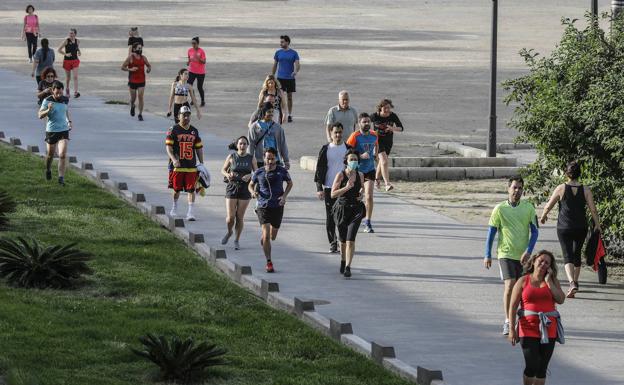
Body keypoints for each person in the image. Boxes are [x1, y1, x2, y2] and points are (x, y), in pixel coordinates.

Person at [485, 176, 539, 335]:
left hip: (523, 256)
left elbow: (535, 232)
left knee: (522, 288)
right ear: (508, 189)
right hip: (505, 253)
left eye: (520, 188)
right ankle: (508, 321)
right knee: (510, 285)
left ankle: (522, 319)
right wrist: (487, 254)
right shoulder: (500, 209)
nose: (517, 191)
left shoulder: (528, 208)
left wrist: (529, 251)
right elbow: (491, 233)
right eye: (514, 187)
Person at [539, 161, 601, 298]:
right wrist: (597, 225)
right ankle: (576, 283)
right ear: (579, 173)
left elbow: (549, 205)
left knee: (568, 255)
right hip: (581, 227)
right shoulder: (586, 189)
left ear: (567, 173)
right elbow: (593, 210)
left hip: (564, 227)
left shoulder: (561, 188)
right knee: (576, 253)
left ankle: (572, 282)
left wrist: (543, 216)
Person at [508, 250, 565, 385]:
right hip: (527, 327)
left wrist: (549, 282)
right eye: (541, 260)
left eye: (547, 262)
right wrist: (511, 328)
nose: (544, 264)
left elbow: (561, 299)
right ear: (534, 261)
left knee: (542, 368)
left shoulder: (552, 281)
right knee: (532, 364)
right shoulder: (523, 280)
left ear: (550, 267)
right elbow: (513, 305)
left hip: (549, 328)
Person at [248, 147, 293, 273]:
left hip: (277, 205)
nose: (270, 161)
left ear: (276, 158)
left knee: (272, 236)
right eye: (268, 158)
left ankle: (265, 238)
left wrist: (284, 196)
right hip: (263, 205)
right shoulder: (259, 172)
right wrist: (252, 192)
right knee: (267, 236)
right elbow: (250, 184)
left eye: (272, 158)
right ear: (264, 158)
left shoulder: (281, 171)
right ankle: (269, 262)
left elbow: (290, 183)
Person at [315, 123, 350, 253]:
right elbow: (319, 169)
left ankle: (343, 241)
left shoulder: (348, 148)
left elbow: (354, 168)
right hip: (329, 188)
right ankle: (333, 243)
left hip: (344, 189)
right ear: (330, 133)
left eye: (340, 132)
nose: (338, 135)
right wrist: (319, 187)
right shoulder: (326, 149)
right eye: (335, 132)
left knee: (343, 217)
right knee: (330, 218)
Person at [165, 106, 205, 221]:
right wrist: (173, 159)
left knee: (191, 189)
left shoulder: (194, 131)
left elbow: (198, 148)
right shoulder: (173, 130)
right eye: (184, 115)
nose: (186, 117)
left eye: (188, 115)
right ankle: (174, 208)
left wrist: (201, 163)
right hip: (178, 166)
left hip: (191, 165)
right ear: (178, 116)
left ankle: (190, 212)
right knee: (176, 189)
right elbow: (168, 147)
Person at [331, 149, 365, 278]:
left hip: (356, 209)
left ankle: (348, 267)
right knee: (343, 240)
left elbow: (361, 188)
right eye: (351, 159)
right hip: (342, 209)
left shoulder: (360, 175)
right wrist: (346, 188)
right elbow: (333, 194)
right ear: (346, 161)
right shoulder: (341, 175)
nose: (354, 161)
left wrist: (361, 194)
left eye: (356, 159)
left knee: (350, 240)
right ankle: (343, 260)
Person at [220, 136, 257, 250]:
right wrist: (227, 174)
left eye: (245, 144)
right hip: (232, 187)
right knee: (230, 218)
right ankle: (229, 232)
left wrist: (250, 175)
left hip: (245, 188)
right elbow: (222, 170)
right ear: (237, 145)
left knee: (239, 216)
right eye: (240, 143)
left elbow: (257, 172)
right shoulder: (231, 156)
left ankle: (237, 239)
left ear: (247, 146)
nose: (242, 146)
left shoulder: (251, 158)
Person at [346, 113, 378, 233]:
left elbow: (376, 148)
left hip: (370, 169)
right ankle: (351, 218)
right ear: (359, 123)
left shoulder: (374, 135)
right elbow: (348, 152)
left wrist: (375, 156)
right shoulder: (355, 136)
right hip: (357, 170)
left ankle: (368, 222)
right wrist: (359, 155)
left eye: (368, 121)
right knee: (355, 196)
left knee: (369, 196)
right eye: (364, 122)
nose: (366, 124)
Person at [38, 81, 73, 186]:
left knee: (62, 154)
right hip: (51, 131)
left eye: (61, 91)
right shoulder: (47, 100)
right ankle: (48, 169)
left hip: (63, 130)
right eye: (57, 91)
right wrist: (48, 110)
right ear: (53, 91)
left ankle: (61, 178)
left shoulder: (65, 100)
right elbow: (39, 115)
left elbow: (65, 111)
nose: (59, 93)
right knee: (50, 155)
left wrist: (69, 121)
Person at [372, 99, 403, 191]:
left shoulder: (393, 116)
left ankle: (376, 180)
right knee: (384, 161)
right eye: (385, 108)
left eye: (388, 108)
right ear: (380, 108)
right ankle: (387, 184)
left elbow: (401, 128)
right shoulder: (375, 116)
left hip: (388, 141)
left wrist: (392, 128)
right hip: (377, 141)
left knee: (382, 162)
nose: (387, 110)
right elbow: (363, 122)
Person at [248, 105, 290, 169]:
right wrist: (249, 161)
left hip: (275, 159)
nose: (271, 114)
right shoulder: (254, 127)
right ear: (263, 112)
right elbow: (251, 145)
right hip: (260, 160)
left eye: (272, 112)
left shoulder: (277, 127)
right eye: (269, 112)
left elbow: (283, 144)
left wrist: (286, 161)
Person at [271, 35, 300, 123]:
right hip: (280, 78)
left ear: (287, 42)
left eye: (282, 42)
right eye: (280, 42)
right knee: (279, 97)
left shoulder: (294, 53)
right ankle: (281, 114)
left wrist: (295, 71)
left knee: (289, 97)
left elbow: (298, 64)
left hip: (290, 78)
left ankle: (290, 114)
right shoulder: (278, 53)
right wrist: (272, 75)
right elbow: (275, 64)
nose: (281, 43)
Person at [121, 43, 152, 121]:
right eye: (138, 48)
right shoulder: (130, 58)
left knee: (140, 97)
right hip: (132, 81)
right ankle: (132, 105)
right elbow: (122, 67)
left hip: (142, 80)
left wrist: (148, 69)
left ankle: (140, 114)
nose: (140, 50)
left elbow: (149, 65)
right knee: (133, 98)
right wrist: (130, 69)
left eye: (141, 48)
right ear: (134, 49)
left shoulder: (143, 58)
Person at [58, 28, 81, 98]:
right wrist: (66, 54)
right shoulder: (66, 41)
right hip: (67, 61)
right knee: (68, 77)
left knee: (75, 77)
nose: (70, 34)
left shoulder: (78, 41)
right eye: (70, 33)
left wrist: (79, 51)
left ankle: (76, 92)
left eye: (72, 33)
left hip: (75, 60)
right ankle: (67, 90)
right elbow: (59, 50)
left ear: (75, 34)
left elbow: (76, 48)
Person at [187, 36, 206, 107]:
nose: (193, 45)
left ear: (198, 44)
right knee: (189, 85)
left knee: (199, 87)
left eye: (194, 43)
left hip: (200, 72)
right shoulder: (190, 50)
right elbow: (189, 58)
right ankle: (193, 99)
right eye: (192, 43)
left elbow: (204, 62)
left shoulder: (201, 51)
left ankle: (203, 101)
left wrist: (199, 59)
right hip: (192, 71)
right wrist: (188, 62)